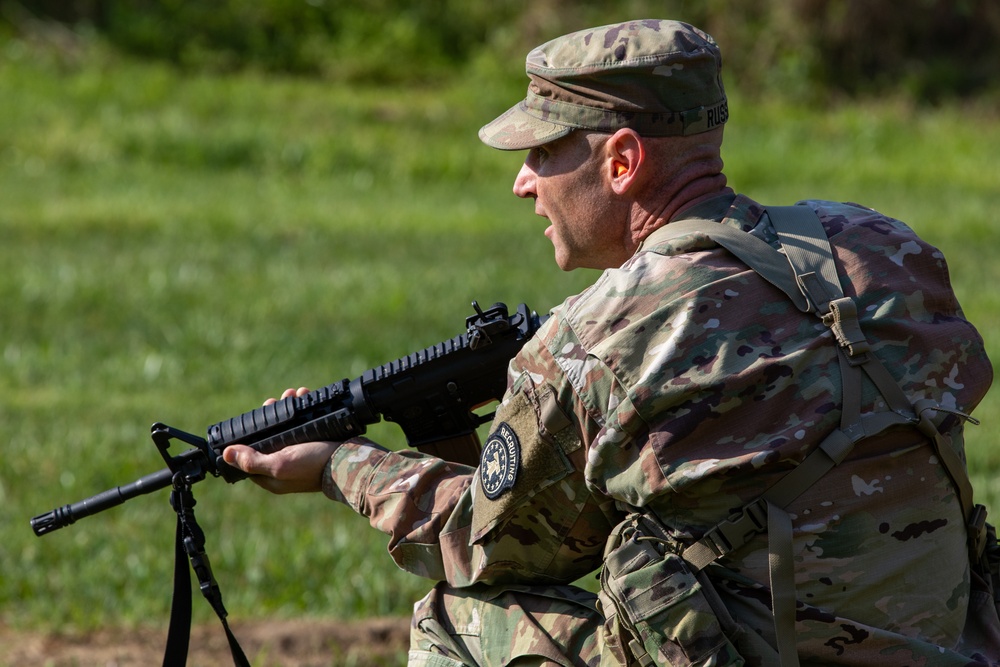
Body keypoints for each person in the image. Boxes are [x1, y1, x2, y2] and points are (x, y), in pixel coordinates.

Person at [222, 19, 1000, 666]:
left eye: (543, 153)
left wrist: (337, 463)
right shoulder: (881, 248)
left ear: (623, 161)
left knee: (455, 620)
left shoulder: (598, 339)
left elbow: (484, 544)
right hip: (953, 646)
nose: (524, 183)